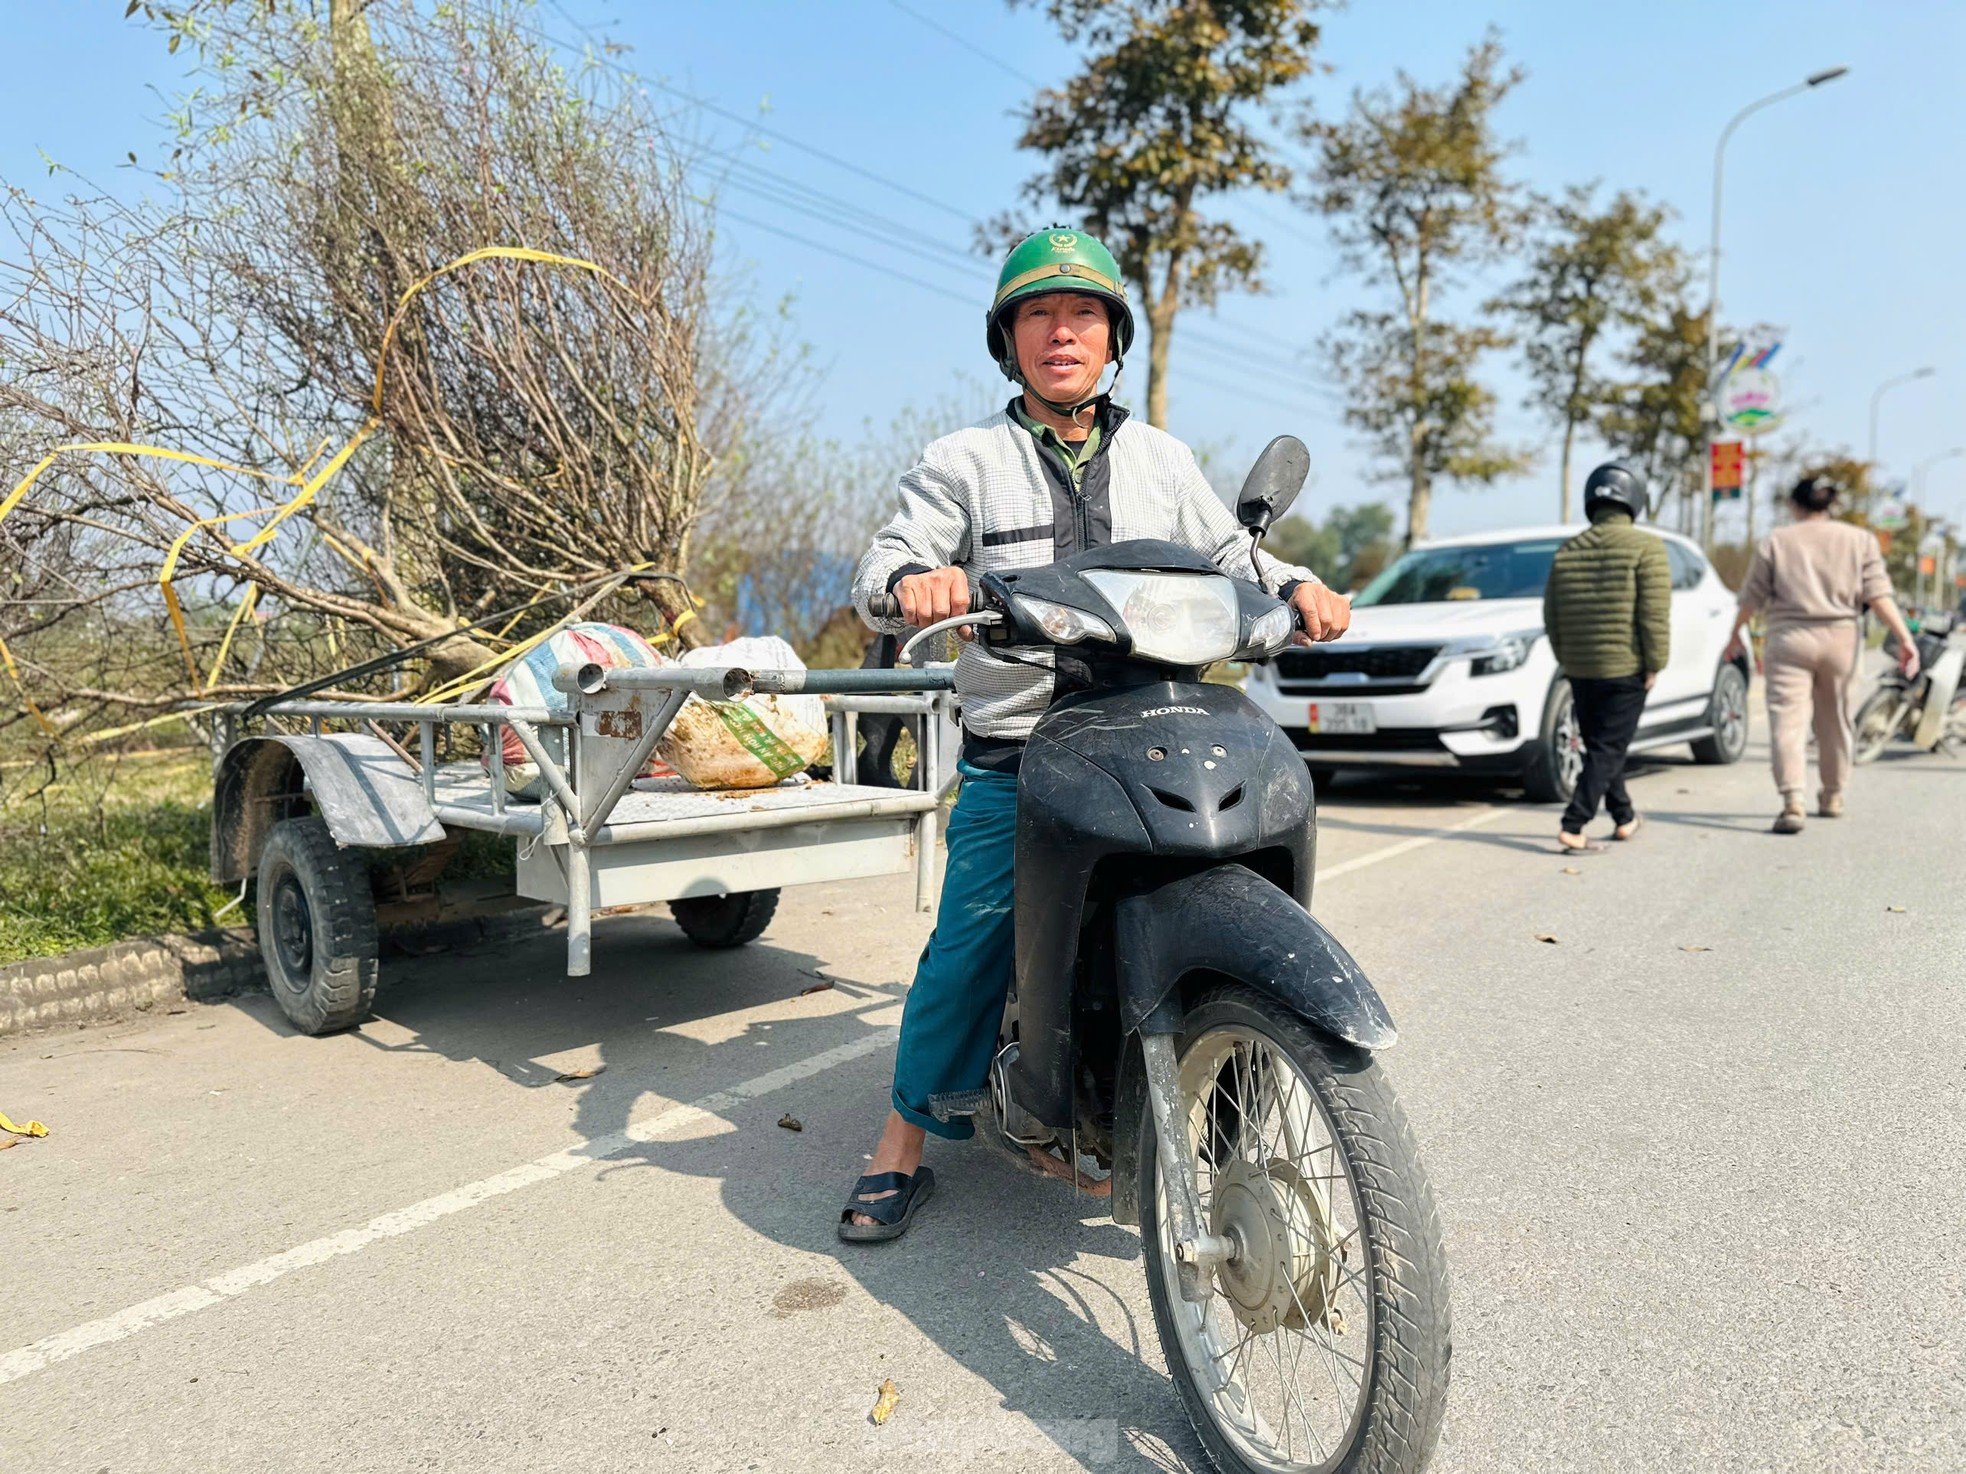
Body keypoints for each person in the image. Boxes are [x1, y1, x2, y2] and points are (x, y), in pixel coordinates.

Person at [837, 226, 1353, 1241]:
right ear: (1009, 340)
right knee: (969, 939)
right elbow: (882, 570)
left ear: (1112, 338)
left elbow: (1231, 552)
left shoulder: (1163, 457)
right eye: (1037, 314)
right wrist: (915, 583)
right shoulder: (964, 463)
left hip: (1156, 726)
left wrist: (1295, 586)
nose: (1059, 332)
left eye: (1081, 315)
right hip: (1025, 747)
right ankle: (900, 1141)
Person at [1723, 475, 1919, 833]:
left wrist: (1734, 633)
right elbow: (1878, 595)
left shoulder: (1777, 540)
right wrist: (1904, 637)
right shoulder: (1859, 540)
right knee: (1836, 721)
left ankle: (1792, 800)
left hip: (1789, 638)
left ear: (1794, 505)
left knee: (1787, 721)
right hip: (1841, 639)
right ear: (1830, 505)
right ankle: (1831, 794)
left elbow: (1752, 596)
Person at [1542, 461, 1670, 853]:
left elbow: (1552, 614)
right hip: (1625, 668)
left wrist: (1568, 658)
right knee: (1608, 748)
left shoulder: (1568, 550)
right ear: (1635, 500)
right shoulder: (1647, 547)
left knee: (1600, 745)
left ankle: (1624, 816)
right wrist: (1655, 663)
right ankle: (1574, 822)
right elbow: (1653, 614)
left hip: (1580, 669)